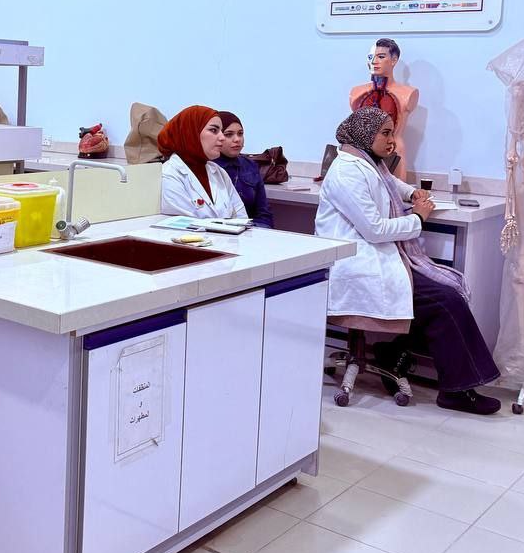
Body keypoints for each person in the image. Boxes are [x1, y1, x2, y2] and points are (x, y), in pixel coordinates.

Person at [317, 108, 501, 415]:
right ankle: (455, 390)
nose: (391, 140)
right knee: (444, 299)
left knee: (445, 293)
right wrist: (417, 217)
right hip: (356, 265)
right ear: (365, 135)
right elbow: (375, 229)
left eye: (392, 132)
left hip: (378, 258)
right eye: (385, 133)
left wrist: (415, 193)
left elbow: (393, 186)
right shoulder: (347, 170)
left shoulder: (370, 162)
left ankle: (392, 352)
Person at [158, 105, 249, 220]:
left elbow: (242, 218)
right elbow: (185, 229)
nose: (222, 137)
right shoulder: (169, 174)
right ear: (190, 133)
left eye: (221, 131)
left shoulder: (219, 172)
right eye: (214, 130)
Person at [212, 110, 274, 228]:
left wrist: (260, 234)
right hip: (218, 233)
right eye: (229, 134)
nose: (237, 139)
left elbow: (264, 213)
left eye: (240, 134)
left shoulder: (250, 166)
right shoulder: (208, 166)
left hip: (250, 232)